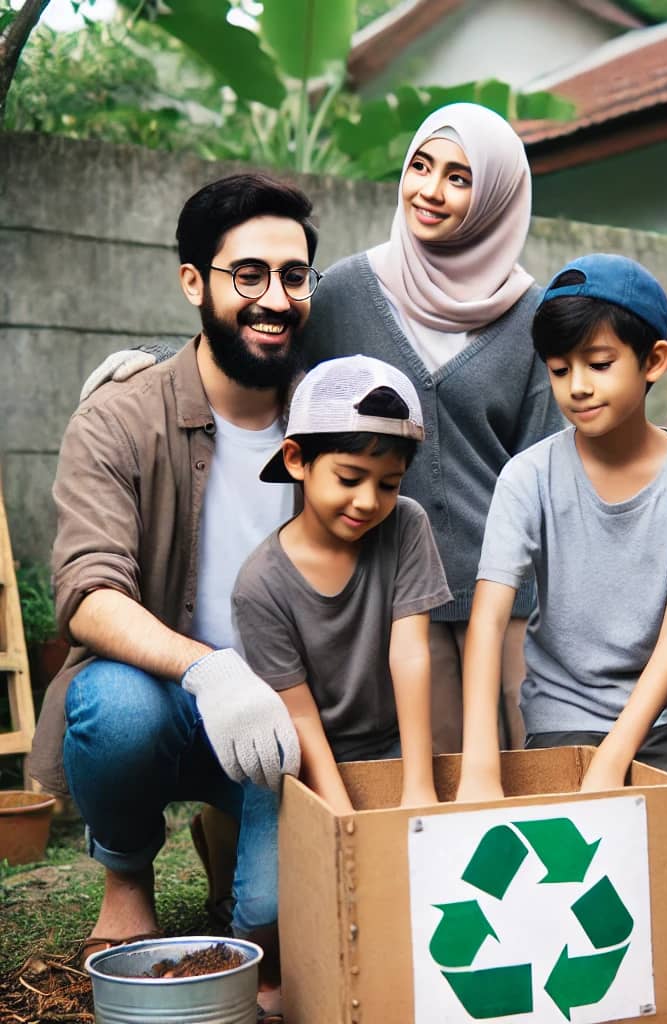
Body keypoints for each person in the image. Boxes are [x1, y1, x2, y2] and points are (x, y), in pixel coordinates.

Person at [27, 172, 319, 1019]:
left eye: (294, 277)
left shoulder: (328, 420)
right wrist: (211, 671)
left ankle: (230, 833)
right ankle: (127, 873)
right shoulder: (120, 417)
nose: (274, 298)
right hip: (162, 695)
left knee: (272, 942)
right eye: (248, 275)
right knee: (113, 708)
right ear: (194, 282)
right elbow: (85, 593)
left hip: (285, 713)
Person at [457, 254, 667, 916]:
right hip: (563, 714)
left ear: (655, 361)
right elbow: (488, 621)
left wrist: (614, 760)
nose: (577, 386)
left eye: (599, 363)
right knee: (557, 875)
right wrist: (479, 764)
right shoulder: (527, 478)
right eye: (559, 370)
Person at [300, 102, 564, 753]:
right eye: (421, 166)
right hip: (393, 593)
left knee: (534, 764)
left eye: (459, 177)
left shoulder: (533, 315)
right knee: (439, 783)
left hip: (510, 596)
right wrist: (154, 361)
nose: (430, 190)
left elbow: (544, 465)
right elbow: (262, 361)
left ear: (495, 196)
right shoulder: (342, 294)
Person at [229, 354, 450, 1008]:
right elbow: (296, 716)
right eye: (350, 477)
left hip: (385, 742)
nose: (368, 501)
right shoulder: (260, 584)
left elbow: (411, 654)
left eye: (388, 482)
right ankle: (235, 870)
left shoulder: (406, 526)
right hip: (298, 761)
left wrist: (416, 787)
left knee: (415, 870)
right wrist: (341, 814)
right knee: (268, 905)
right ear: (296, 460)